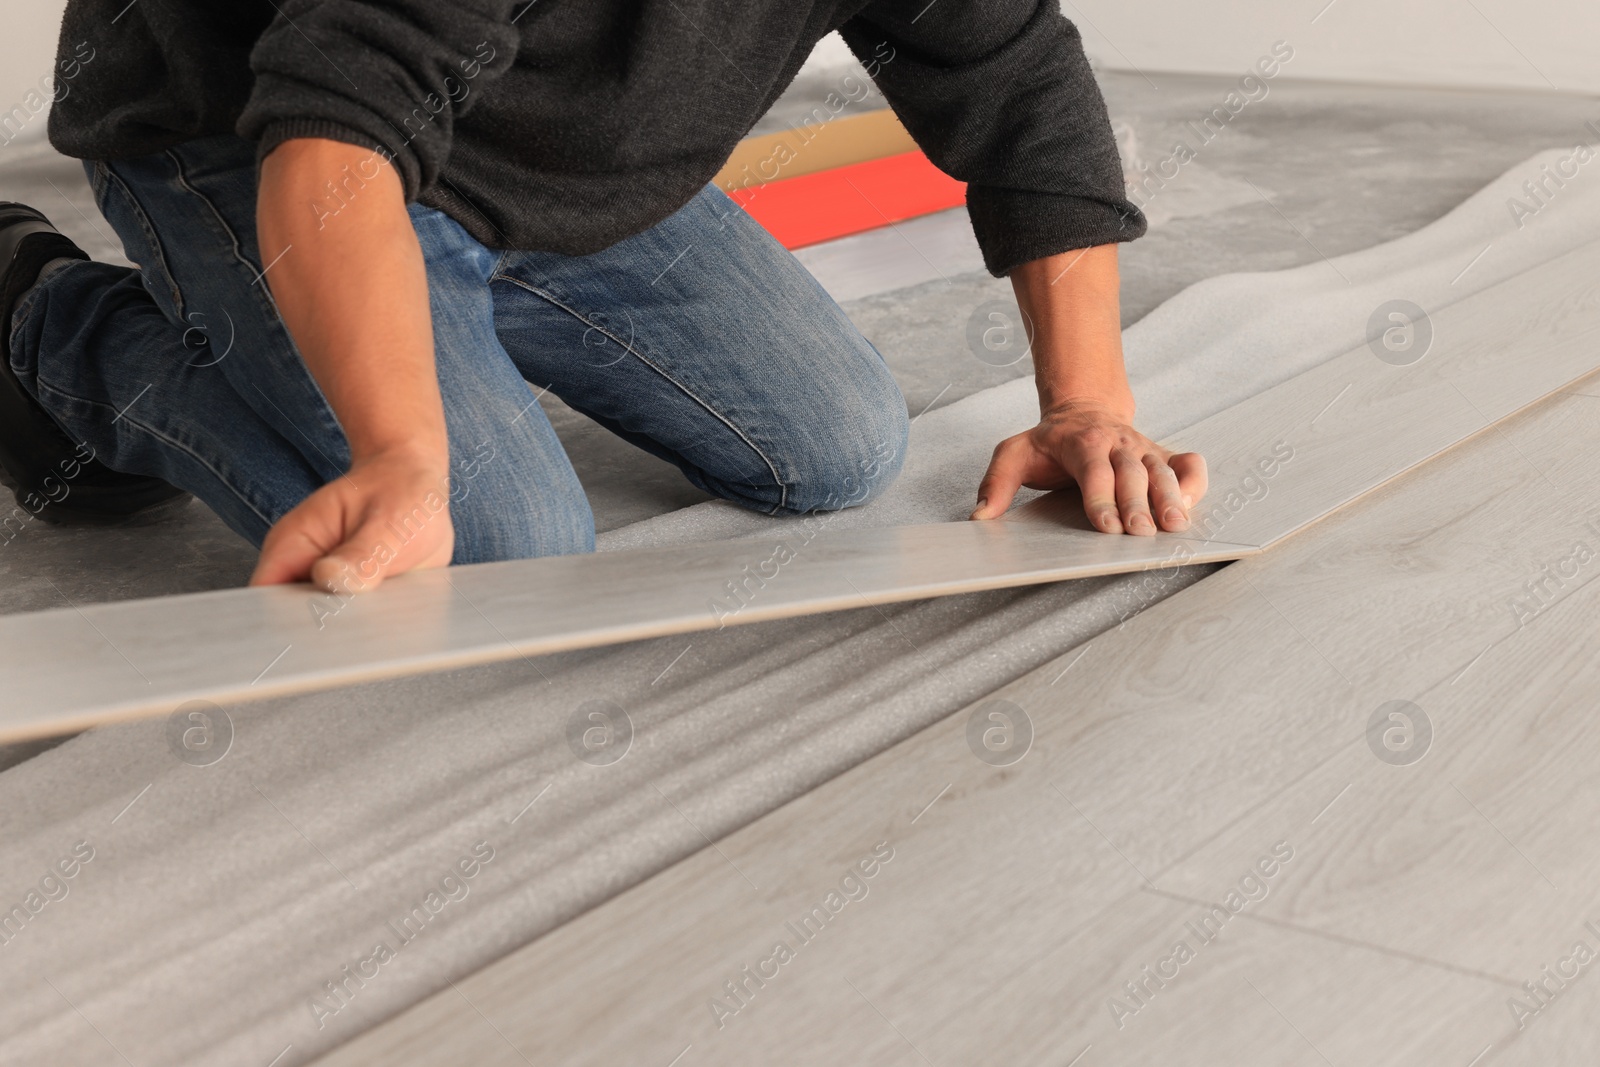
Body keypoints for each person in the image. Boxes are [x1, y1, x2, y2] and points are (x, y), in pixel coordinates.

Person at [0, 0, 1206, 593]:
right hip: (245, 131)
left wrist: (1088, 403)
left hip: (555, 143)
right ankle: (48, 321)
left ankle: (443, 315)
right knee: (501, 547)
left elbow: (1014, 76)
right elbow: (335, 138)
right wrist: (405, 454)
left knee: (837, 449)